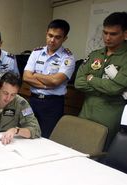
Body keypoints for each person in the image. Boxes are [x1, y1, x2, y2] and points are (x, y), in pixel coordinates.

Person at [75, 12, 127, 149]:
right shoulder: (95, 54)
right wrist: (104, 88)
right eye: (105, 33)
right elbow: (79, 82)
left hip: (109, 116)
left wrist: (91, 79)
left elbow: (115, 88)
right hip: (86, 112)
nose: (107, 38)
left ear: (125, 34)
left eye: (113, 34)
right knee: (78, 148)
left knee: (101, 154)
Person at [23, 19, 75, 138]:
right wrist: (47, 84)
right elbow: (26, 77)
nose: (52, 40)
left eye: (57, 37)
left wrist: (35, 75)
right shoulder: (36, 53)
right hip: (34, 101)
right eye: (50, 35)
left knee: (47, 138)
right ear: (46, 33)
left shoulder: (68, 58)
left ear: (64, 38)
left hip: (53, 104)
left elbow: (56, 81)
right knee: (28, 134)